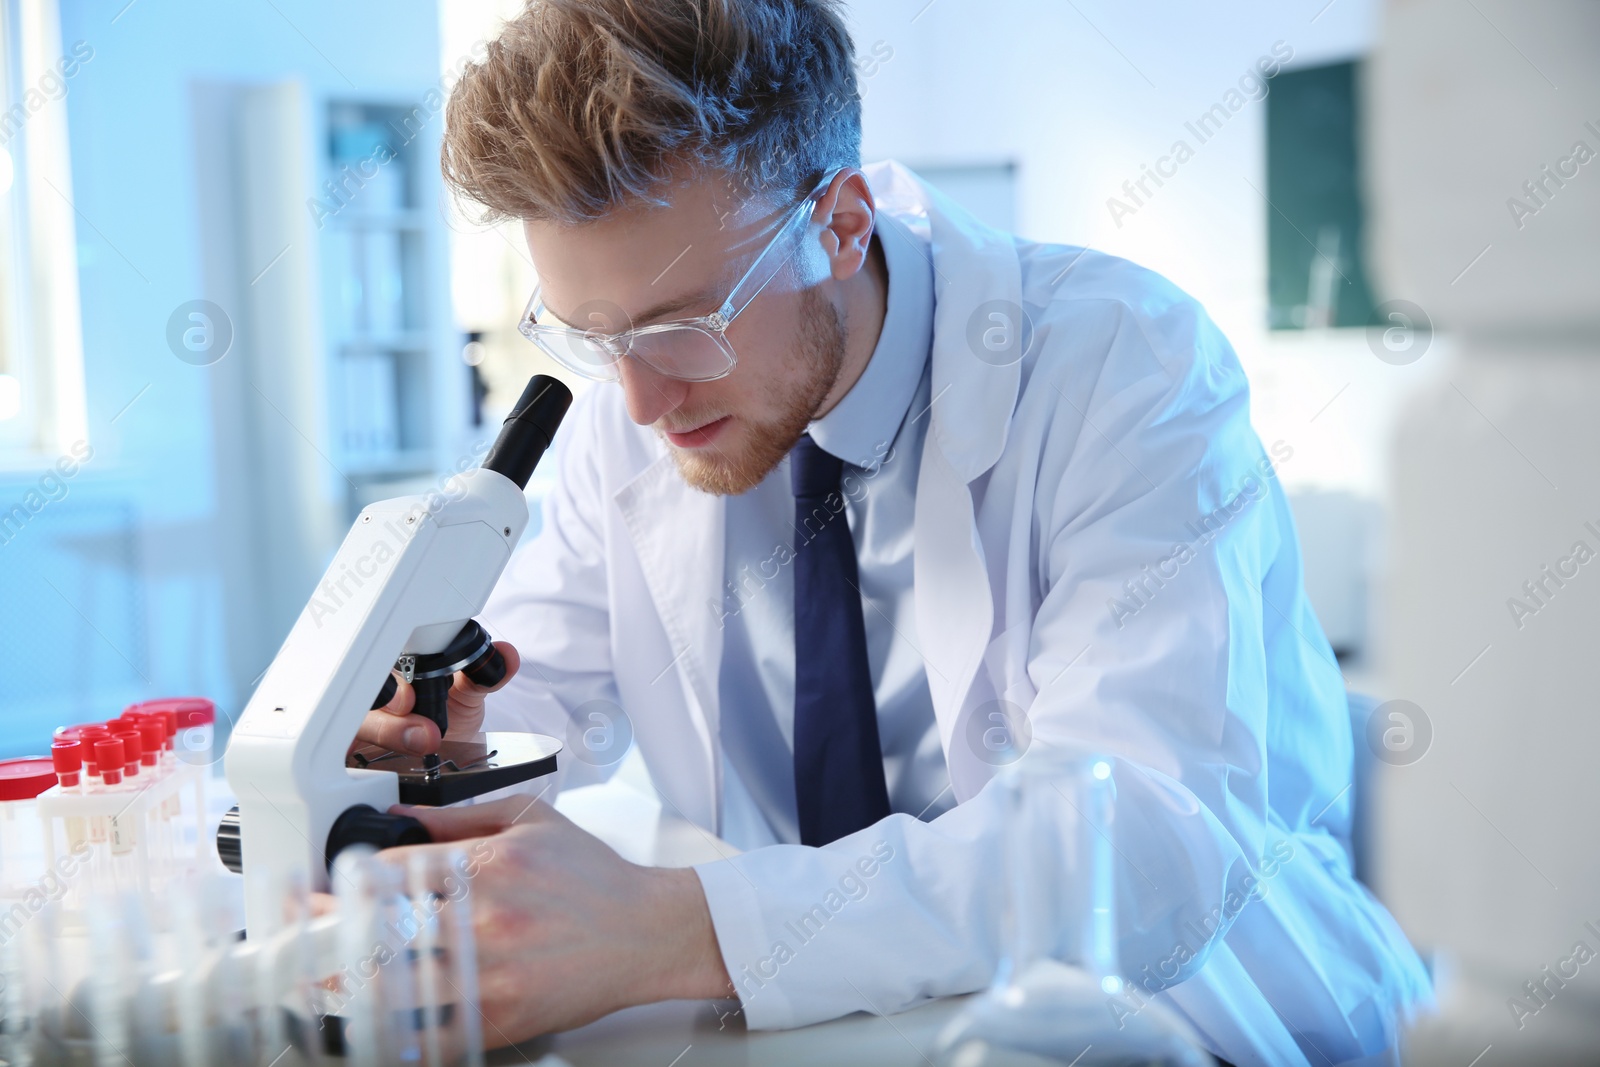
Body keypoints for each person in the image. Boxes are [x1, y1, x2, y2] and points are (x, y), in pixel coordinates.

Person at [354, 0, 1433, 1060]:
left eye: (684, 325)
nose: (638, 400)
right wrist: (455, 749)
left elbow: (1143, 845)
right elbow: (540, 689)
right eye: (595, 335)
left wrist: (680, 927)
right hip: (837, 1030)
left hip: (1192, 1020)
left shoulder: (1122, 364)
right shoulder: (630, 415)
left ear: (839, 222)